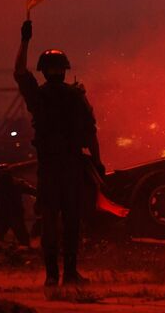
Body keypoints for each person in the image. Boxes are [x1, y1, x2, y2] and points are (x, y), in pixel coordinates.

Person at [14, 19, 104, 287]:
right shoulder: (76, 98)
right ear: (64, 72)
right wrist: (98, 165)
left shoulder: (38, 98)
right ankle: (69, 273)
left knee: (51, 221)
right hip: (70, 169)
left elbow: (19, 72)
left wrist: (25, 40)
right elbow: (91, 134)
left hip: (52, 169)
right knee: (71, 222)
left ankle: (53, 275)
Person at [0, 165, 36, 249]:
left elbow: (34, 192)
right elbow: (34, 192)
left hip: (12, 215)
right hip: (6, 215)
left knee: (22, 239)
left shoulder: (16, 184)